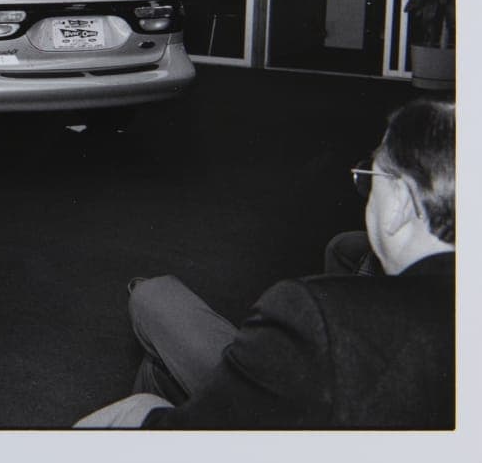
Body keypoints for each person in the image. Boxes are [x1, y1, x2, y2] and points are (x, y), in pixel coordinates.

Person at [75, 97, 455, 429]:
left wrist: (148, 418)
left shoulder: (308, 313)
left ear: (403, 204)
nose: (366, 195)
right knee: (158, 369)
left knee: (151, 297)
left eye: (371, 180)